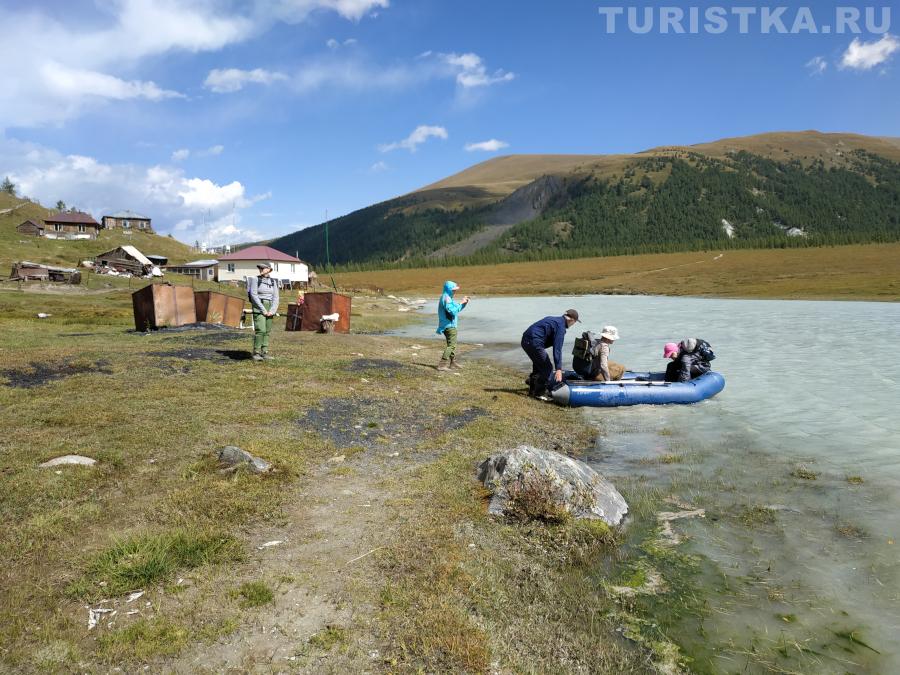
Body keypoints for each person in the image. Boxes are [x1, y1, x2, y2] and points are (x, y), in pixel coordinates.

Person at [521, 309, 580, 399]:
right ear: (571, 320)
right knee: (547, 368)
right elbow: (557, 349)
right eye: (574, 322)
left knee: (539, 366)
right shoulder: (561, 327)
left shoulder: (554, 319)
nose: (573, 325)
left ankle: (532, 391)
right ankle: (539, 394)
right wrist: (559, 369)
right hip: (534, 342)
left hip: (525, 340)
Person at [248, 262, 279, 361]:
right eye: (259, 268)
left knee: (267, 331)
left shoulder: (273, 282)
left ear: (269, 269)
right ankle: (256, 352)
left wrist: (272, 310)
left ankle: (264, 352)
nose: (261, 269)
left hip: (270, 307)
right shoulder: (255, 280)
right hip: (258, 306)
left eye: (263, 268)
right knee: (260, 330)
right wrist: (263, 310)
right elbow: (254, 295)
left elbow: (276, 297)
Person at [436, 280, 470, 371]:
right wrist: (461, 303)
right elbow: (453, 311)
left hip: (448, 325)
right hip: (449, 326)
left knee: (451, 344)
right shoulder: (446, 298)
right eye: (453, 290)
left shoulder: (447, 297)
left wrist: (464, 303)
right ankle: (442, 365)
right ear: (449, 289)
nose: (455, 291)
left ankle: (453, 363)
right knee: (452, 345)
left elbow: (456, 309)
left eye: (455, 290)